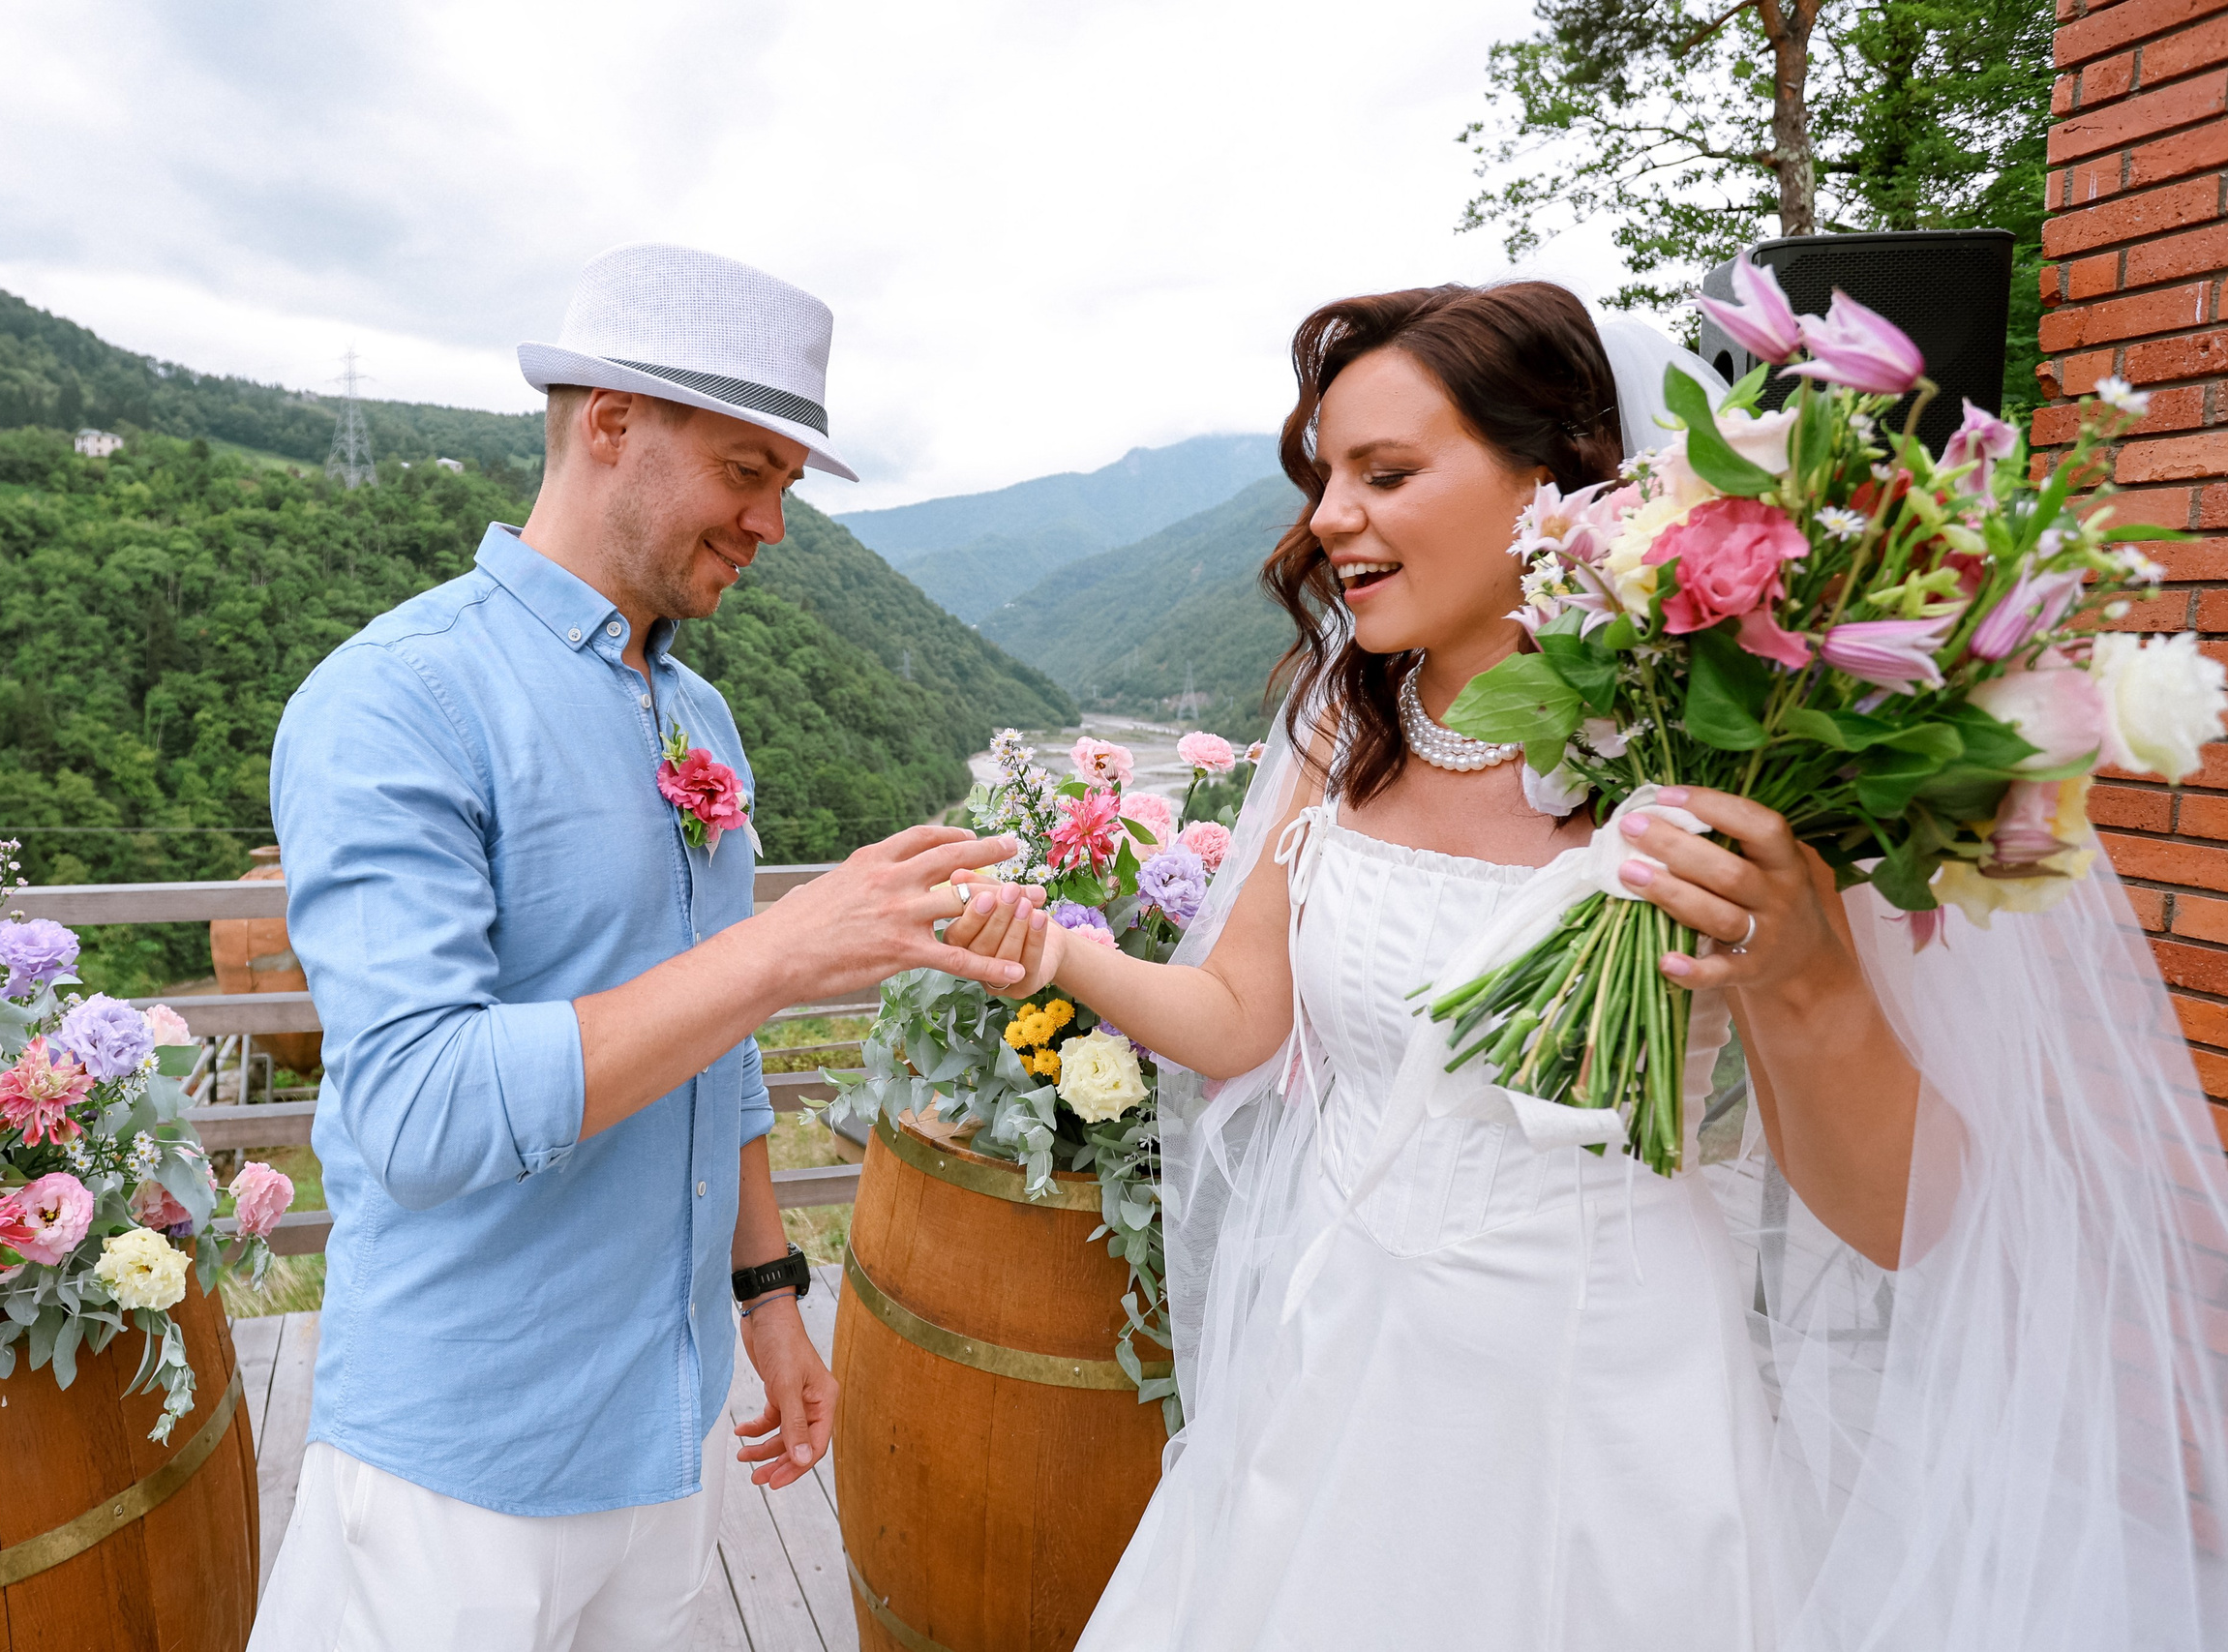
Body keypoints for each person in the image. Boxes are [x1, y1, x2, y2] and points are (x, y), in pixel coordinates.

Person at [945, 282, 2228, 1649]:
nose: (1327, 520)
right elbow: (1241, 1019)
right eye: (1326, 477)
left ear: (1550, 480)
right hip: (1337, 1348)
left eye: (1386, 473)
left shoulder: (1716, 757)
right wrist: (1057, 950)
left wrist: (1801, 973)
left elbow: (1903, 1219)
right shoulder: (1344, 725)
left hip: (1594, 1389)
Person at [251, 243, 1041, 1652]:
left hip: (664, 1426)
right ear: (609, 420)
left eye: (788, 484)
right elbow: (423, 1113)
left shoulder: (701, 720)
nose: (773, 524)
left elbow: (713, 1050)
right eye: (750, 471)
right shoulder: (395, 700)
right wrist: (785, 951)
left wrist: (769, 1298)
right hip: (463, 1458)